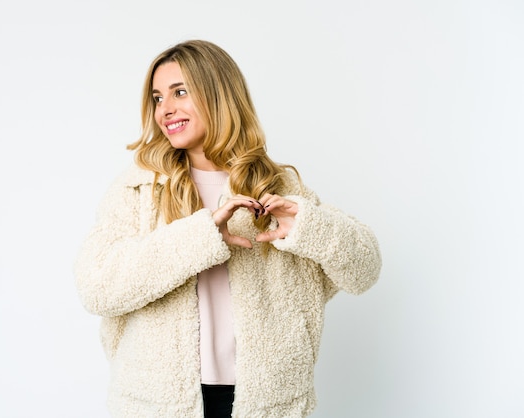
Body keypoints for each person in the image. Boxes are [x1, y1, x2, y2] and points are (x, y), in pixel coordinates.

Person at [74, 39, 381, 418]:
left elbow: (365, 269)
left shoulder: (280, 187)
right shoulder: (139, 188)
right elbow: (96, 285)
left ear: (218, 95)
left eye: (179, 92)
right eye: (157, 98)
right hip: (157, 403)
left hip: (266, 403)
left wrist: (306, 225)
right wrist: (200, 239)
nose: (164, 110)